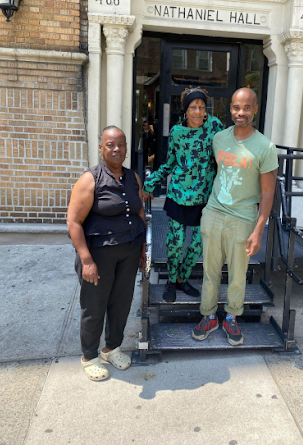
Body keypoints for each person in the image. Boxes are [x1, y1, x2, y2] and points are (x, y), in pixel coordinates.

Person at [192, 88, 278, 346]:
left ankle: (231, 316)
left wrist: (259, 229)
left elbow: (267, 192)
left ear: (255, 109)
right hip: (214, 212)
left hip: (243, 217)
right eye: (236, 108)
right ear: (230, 108)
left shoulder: (265, 146)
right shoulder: (218, 138)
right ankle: (208, 316)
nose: (241, 113)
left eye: (246, 108)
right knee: (210, 271)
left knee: (238, 274)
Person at [67, 126, 146, 381]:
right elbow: (73, 222)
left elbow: (139, 212)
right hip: (98, 256)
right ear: (101, 148)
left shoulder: (133, 177)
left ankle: (111, 348)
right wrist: (86, 260)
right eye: (110, 145)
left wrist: (142, 249)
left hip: (130, 251)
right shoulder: (90, 179)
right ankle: (89, 356)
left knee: (121, 303)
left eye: (121, 145)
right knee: (94, 306)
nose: (116, 149)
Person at [143, 87, 224, 302]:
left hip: (205, 198)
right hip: (179, 195)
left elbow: (230, 147)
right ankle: (171, 280)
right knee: (175, 242)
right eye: (193, 107)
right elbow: (170, 163)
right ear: (186, 110)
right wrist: (150, 183)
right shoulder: (177, 133)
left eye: (201, 107)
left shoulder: (215, 126)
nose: (197, 111)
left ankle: (182, 278)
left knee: (198, 244)